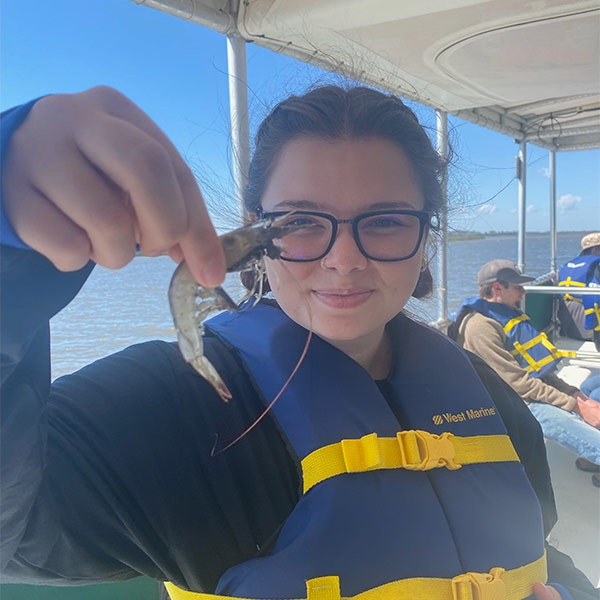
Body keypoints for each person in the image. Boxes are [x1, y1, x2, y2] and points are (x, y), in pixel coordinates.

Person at [1, 86, 597, 600]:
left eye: (386, 220)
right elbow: (16, 531)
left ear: (427, 239)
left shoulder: (482, 388)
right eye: (300, 221)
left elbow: (536, 550)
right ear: (257, 235)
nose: (343, 261)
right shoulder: (169, 403)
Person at [450, 259, 600, 487]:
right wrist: (574, 405)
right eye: (517, 287)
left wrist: (576, 395)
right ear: (498, 288)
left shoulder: (506, 314)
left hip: (522, 393)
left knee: (590, 395)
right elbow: (517, 384)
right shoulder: (480, 327)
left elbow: (537, 371)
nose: (523, 292)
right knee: (569, 420)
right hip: (505, 404)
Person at [558, 232, 600, 345]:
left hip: (566, 325)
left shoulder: (567, 265)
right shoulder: (597, 265)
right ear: (595, 249)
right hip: (588, 327)